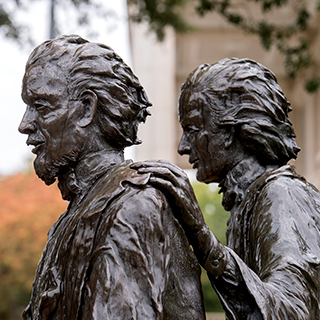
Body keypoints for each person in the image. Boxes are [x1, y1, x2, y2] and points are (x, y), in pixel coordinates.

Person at [19, 35, 205, 320]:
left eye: (41, 106)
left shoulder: (131, 208)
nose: (25, 124)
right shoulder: (76, 214)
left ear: (85, 108)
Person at [132, 58, 320, 319]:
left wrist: (202, 237)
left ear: (230, 132)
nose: (183, 147)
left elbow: (293, 312)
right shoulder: (249, 200)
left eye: (192, 129)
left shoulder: (281, 194)